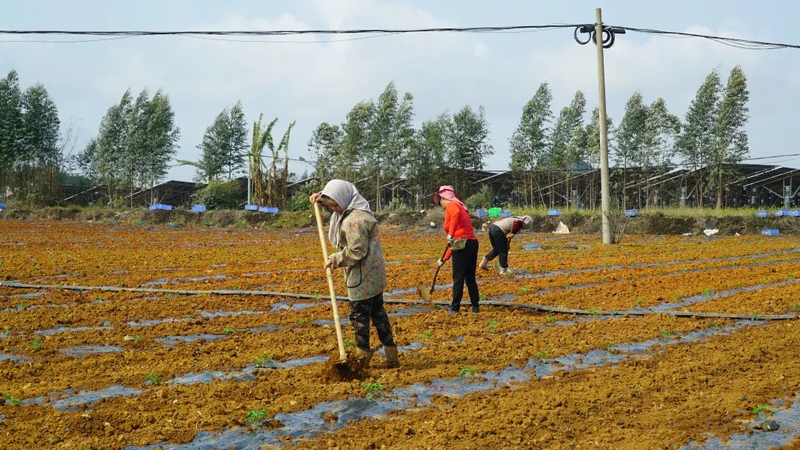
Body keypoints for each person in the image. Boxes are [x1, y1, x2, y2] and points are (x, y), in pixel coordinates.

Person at [310, 180, 399, 369]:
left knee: (359, 317)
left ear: (343, 198)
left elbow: (357, 251)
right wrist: (320, 198)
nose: (334, 209)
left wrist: (335, 259)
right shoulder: (360, 209)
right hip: (374, 276)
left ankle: (361, 359)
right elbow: (336, 201)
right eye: (330, 205)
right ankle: (392, 356)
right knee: (378, 314)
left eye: (335, 204)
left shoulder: (353, 221)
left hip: (362, 277)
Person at [433, 185, 480, 314]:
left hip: (462, 243)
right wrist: (444, 258)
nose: (440, 205)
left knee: (458, 277)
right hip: (471, 243)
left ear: (443, 198)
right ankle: (475, 306)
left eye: (440, 202)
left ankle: (454, 308)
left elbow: (455, 237)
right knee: (470, 277)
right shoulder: (460, 206)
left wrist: (450, 234)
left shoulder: (452, 205)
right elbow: (454, 243)